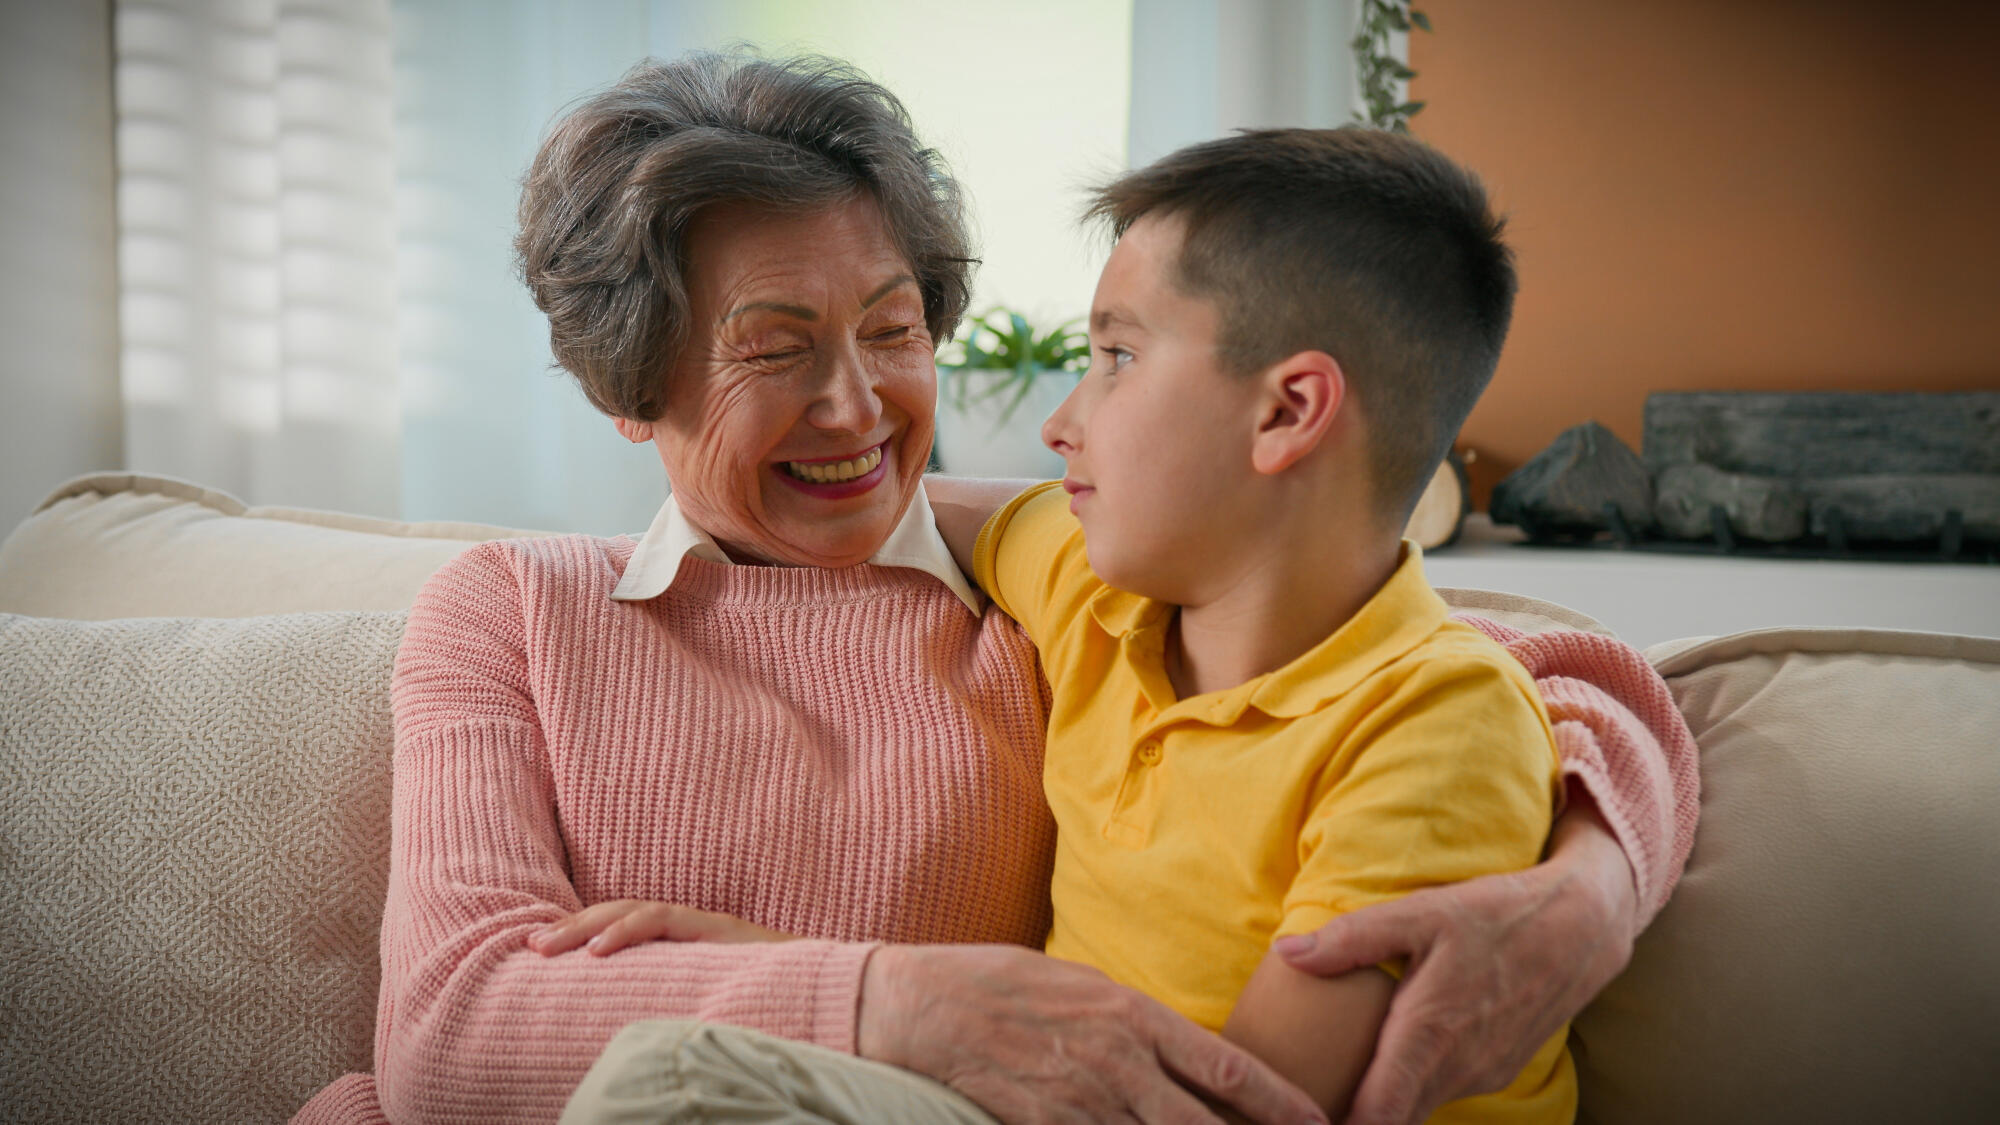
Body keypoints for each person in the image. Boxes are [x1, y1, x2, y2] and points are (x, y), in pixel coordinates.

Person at [292, 52, 1698, 1125]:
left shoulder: (1070, 583)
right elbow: (456, 1029)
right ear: (629, 383)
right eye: (776, 346)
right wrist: (877, 998)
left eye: (896, 330)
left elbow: (1528, 673)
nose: (857, 410)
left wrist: (1591, 882)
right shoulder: (510, 611)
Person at [556, 127, 1578, 1123]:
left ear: (1285, 413)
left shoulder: (1439, 721)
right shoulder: (1094, 592)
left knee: (673, 1086)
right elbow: (910, 501)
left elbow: (1240, 1106)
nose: (1059, 423)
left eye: (1116, 359)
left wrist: (783, 975)